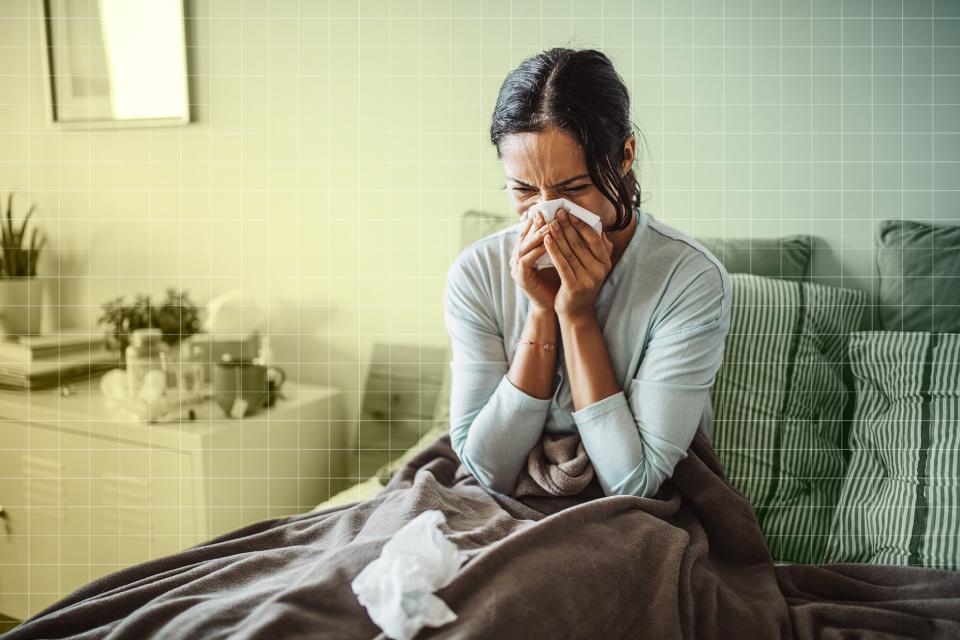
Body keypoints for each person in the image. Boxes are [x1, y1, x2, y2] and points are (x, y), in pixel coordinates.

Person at [443, 47, 732, 499]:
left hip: (636, 516)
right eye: (522, 190)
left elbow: (633, 481)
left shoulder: (688, 279)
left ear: (623, 157)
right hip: (506, 502)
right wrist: (541, 311)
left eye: (574, 188)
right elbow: (486, 472)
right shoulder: (477, 273)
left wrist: (577, 317)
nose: (547, 213)